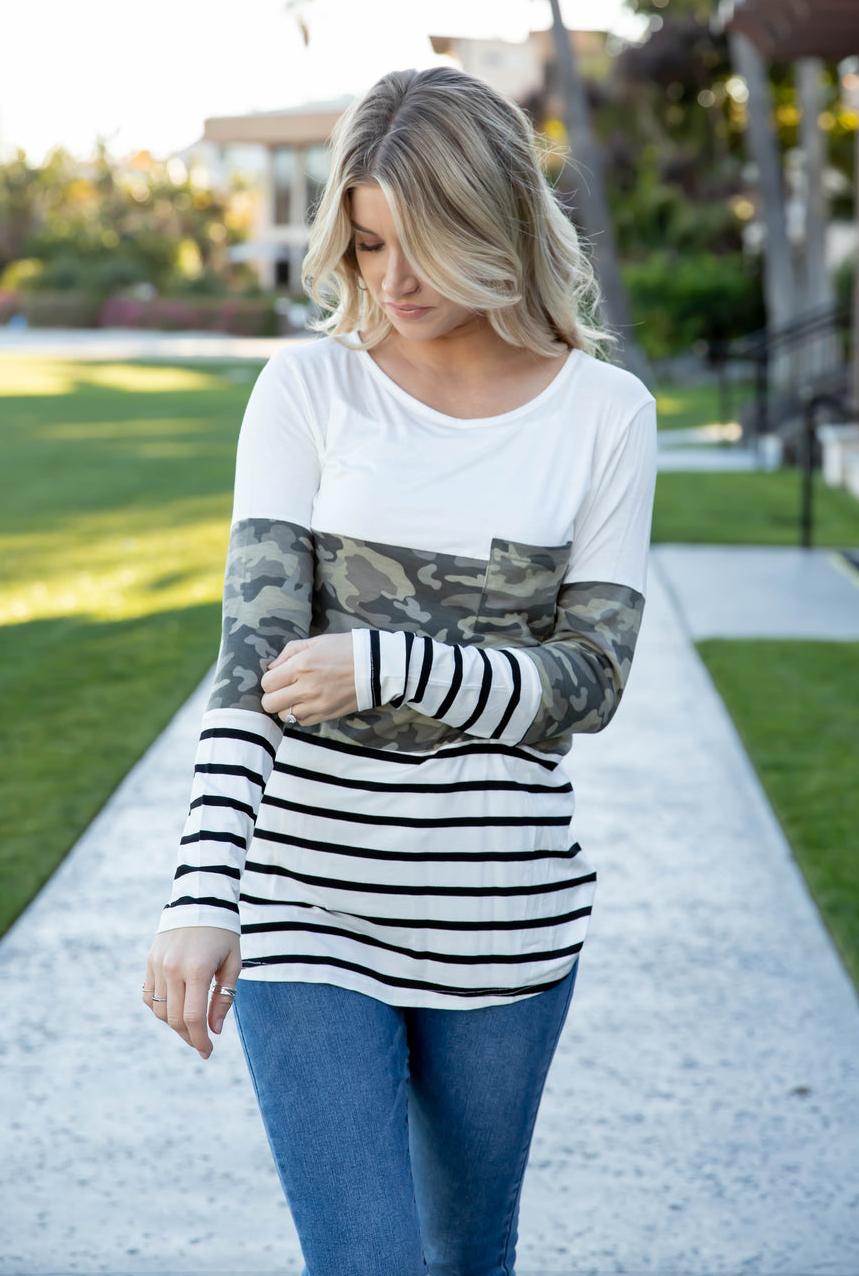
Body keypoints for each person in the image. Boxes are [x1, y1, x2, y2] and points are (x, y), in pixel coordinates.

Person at [143, 65, 658, 1276]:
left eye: (424, 245)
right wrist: (200, 891)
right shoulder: (307, 388)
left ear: (500, 227)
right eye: (370, 246)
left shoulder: (604, 414)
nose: (395, 281)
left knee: (465, 1248)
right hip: (307, 906)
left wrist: (388, 661)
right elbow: (251, 665)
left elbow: (590, 681)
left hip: (503, 921)